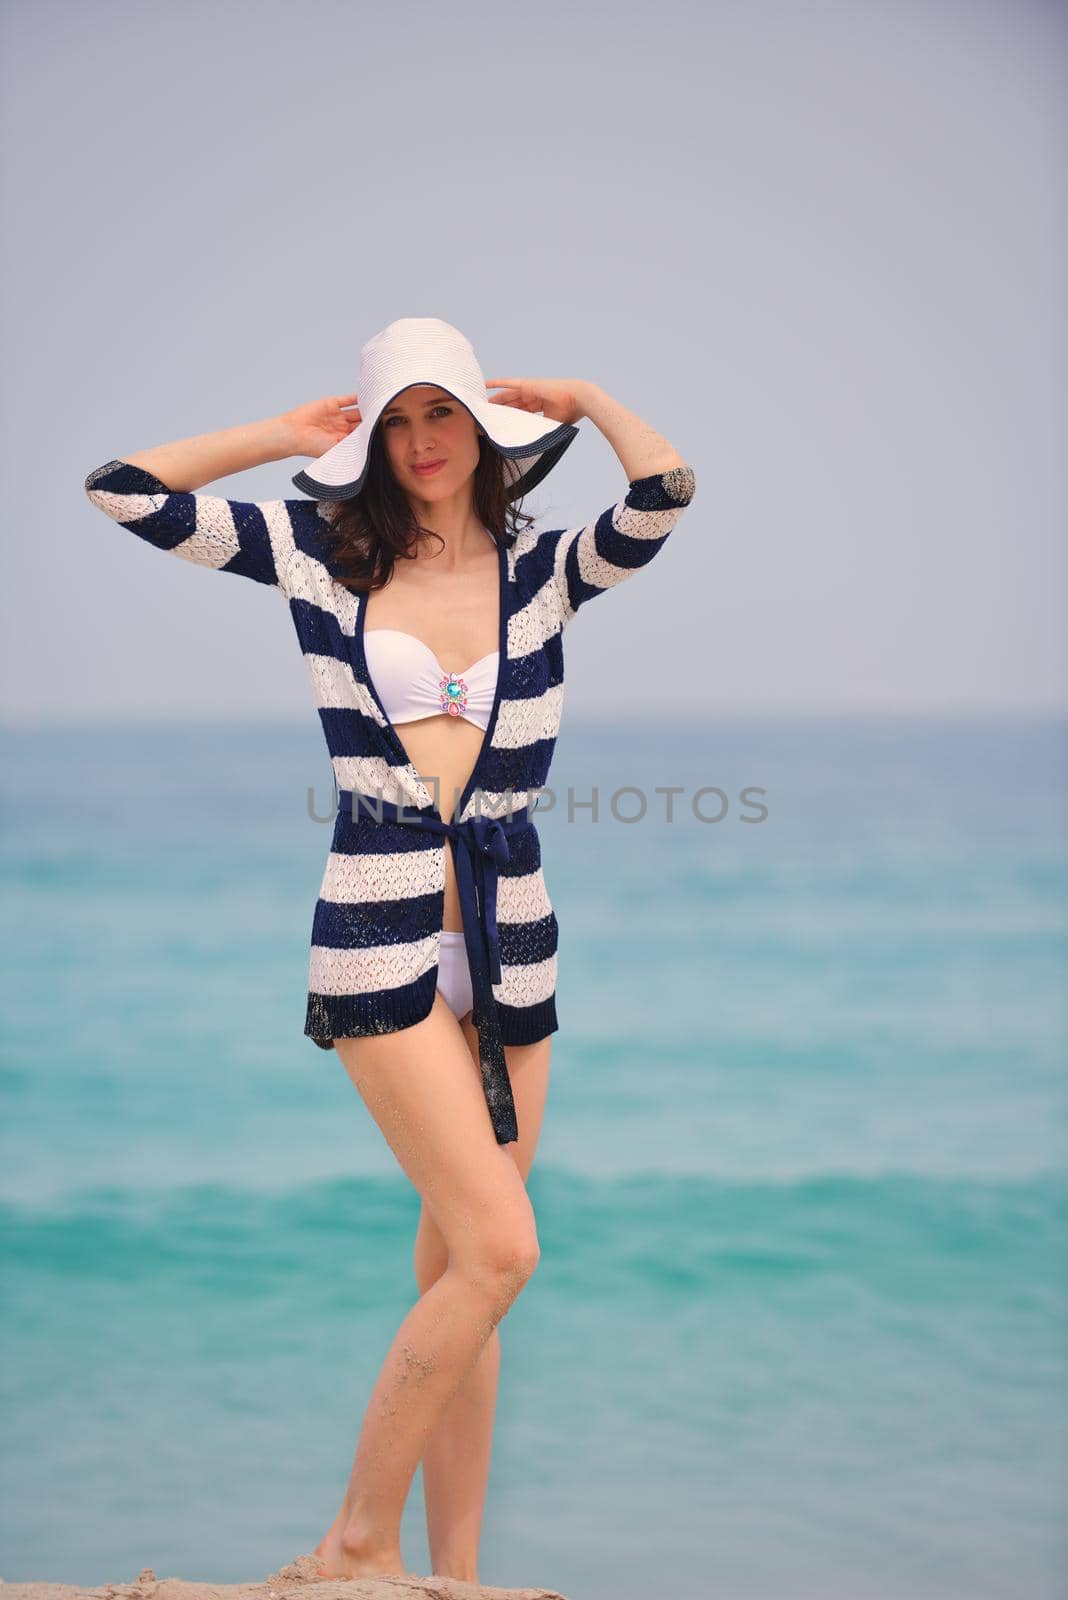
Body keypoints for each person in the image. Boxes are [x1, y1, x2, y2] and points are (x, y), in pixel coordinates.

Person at [83, 317, 696, 1584]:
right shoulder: (317, 553)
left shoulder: (547, 573)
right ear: (373, 436)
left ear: (485, 432)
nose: (420, 443)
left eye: (444, 415)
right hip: (377, 927)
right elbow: (124, 492)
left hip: (515, 935)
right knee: (503, 1247)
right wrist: (281, 438)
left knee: (463, 1267)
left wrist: (584, 394)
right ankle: (356, 1541)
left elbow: (665, 491)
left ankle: (453, 1573)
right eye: (399, 419)